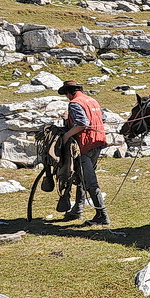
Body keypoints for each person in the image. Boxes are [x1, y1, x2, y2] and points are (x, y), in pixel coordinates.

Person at [57, 80, 109, 225]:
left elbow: (82, 123)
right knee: (82, 177)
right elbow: (103, 118)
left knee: (90, 181)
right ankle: (77, 209)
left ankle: (102, 215)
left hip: (84, 145)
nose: (67, 97)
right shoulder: (92, 100)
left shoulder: (75, 103)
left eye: (66, 94)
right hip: (98, 142)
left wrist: (66, 135)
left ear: (69, 92)